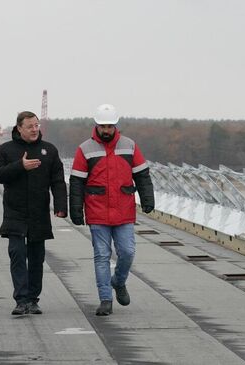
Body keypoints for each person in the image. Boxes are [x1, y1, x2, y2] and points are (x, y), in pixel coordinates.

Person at [69, 104, 155, 316]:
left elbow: (142, 175)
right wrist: (76, 209)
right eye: (102, 126)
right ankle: (105, 299)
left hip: (124, 210)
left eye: (109, 126)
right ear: (96, 126)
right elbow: (77, 182)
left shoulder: (130, 146)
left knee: (127, 252)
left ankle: (118, 281)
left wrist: (147, 199)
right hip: (97, 211)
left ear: (115, 125)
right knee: (101, 256)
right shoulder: (85, 149)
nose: (106, 130)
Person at [0, 111, 67, 316]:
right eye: (30, 126)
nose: (35, 129)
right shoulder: (6, 150)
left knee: (36, 258)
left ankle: (33, 299)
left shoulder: (48, 150)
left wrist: (61, 205)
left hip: (38, 213)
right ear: (19, 129)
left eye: (37, 125)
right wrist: (19, 166)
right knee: (17, 254)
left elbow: (58, 180)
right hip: (14, 212)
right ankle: (21, 299)